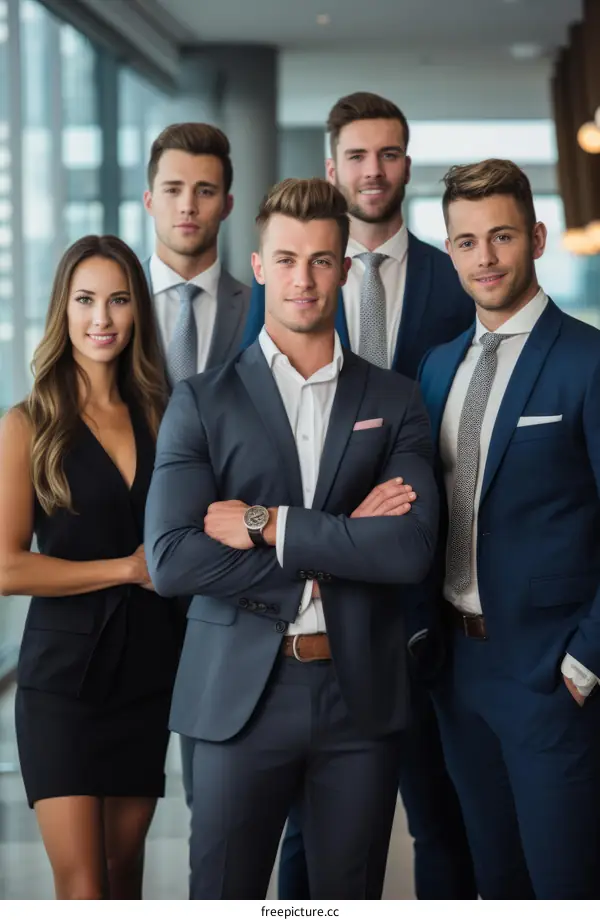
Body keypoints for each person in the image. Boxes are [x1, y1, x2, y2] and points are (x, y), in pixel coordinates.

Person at [144, 178, 439, 899]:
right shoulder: (202, 401)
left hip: (358, 695)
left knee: (341, 901)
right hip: (234, 697)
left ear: (343, 267)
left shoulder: (395, 399)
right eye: (287, 259)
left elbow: (408, 550)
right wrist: (338, 548)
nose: (303, 278)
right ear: (259, 265)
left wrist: (268, 526)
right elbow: (173, 558)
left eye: (320, 260)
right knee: (225, 897)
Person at [243, 91, 476, 900]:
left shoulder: (458, 279)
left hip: (427, 590)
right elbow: (261, 429)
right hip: (316, 596)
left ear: (407, 163)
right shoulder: (284, 284)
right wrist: (329, 530)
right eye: (357, 155)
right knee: (316, 829)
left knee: (440, 816)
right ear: (331, 166)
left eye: (389, 154)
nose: (373, 171)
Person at [418, 158, 600, 898]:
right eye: (466, 242)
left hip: (552, 677)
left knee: (567, 884)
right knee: (493, 881)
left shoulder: (588, 361)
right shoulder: (437, 369)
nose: (485, 258)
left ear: (537, 236)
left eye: (501, 237)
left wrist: (584, 663)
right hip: (458, 675)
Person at [0, 235, 183, 899]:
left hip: (148, 671)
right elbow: (7, 567)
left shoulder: (163, 416)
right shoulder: (28, 423)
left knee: (122, 876)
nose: (100, 317)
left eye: (117, 299)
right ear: (63, 310)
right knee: (83, 890)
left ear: (137, 312)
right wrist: (126, 570)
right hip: (61, 681)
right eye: (85, 300)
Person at [142, 121, 250, 808]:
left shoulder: (262, 308)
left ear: (227, 204)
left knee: (218, 797)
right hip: (127, 578)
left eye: (204, 191)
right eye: (174, 189)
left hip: (232, 577)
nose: (188, 205)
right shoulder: (103, 310)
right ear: (149, 199)